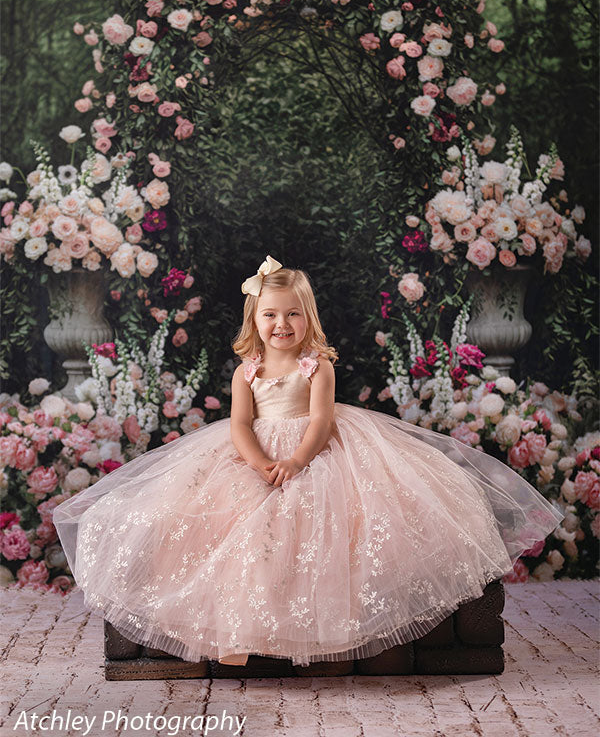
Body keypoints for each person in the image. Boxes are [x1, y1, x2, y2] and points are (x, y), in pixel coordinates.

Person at [53, 255, 564, 668]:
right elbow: (239, 425)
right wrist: (259, 462)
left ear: (308, 317)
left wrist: (298, 459)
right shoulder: (247, 371)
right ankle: (239, 631)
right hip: (257, 454)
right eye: (270, 315)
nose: (282, 324)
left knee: (327, 517)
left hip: (313, 452)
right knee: (228, 521)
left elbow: (322, 421)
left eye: (293, 314)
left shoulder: (316, 366)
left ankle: (322, 630)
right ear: (255, 319)